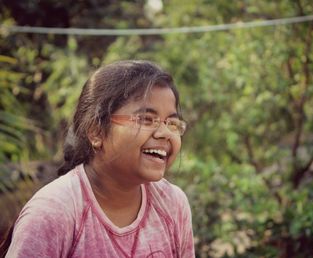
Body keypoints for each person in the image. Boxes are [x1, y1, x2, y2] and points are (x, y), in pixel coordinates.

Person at [3, 60, 195, 257]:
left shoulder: (172, 203)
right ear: (96, 132)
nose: (165, 133)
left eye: (172, 123)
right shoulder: (53, 214)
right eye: (146, 119)